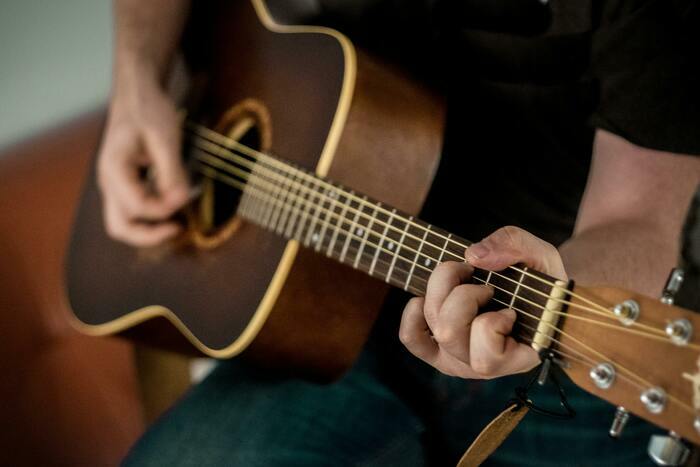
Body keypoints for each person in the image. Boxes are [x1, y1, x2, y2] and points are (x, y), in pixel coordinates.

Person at [98, 0, 700, 465]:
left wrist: (557, 291)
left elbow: (645, 212)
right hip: (323, 314)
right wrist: (136, 78)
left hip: (557, 344)